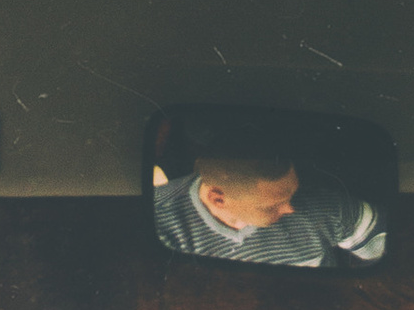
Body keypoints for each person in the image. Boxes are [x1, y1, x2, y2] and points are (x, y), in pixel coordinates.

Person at [154, 114, 386, 271]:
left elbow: (383, 250)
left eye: (291, 193)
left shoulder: (326, 206)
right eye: (271, 205)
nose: (291, 208)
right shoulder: (160, 226)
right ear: (218, 199)